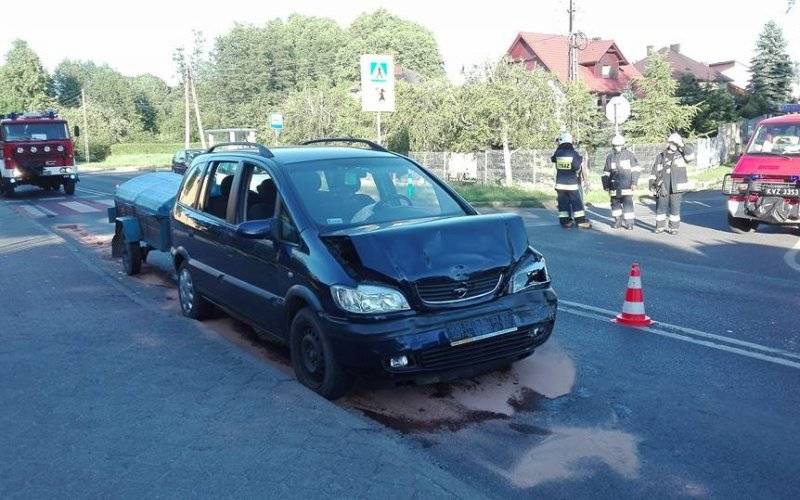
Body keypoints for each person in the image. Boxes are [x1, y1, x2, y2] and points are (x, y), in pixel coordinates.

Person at [649, 132, 694, 234]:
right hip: (662, 186)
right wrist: (652, 184)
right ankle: (660, 227)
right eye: (672, 143)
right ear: (669, 143)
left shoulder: (682, 155)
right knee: (660, 207)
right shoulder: (661, 156)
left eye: (676, 143)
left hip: (677, 187)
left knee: (675, 208)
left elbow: (691, 156)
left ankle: (674, 228)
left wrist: (682, 144)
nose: (674, 145)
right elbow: (654, 171)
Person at [551, 131, 591, 229]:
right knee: (576, 203)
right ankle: (580, 221)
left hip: (560, 184)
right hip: (571, 184)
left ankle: (565, 222)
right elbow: (577, 167)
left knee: (563, 204)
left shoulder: (558, 153)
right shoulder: (573, 153)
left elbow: (553, 159)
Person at [602, 134, 641, 230]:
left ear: (623, 145)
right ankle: (617, 221)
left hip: (627, 185)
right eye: (615, 145)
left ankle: (629, 223)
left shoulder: (629, 155)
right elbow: (606, 173)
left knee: (628, 205)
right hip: (614, 186)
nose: (617, 147)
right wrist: (606, 185)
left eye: (619, 145)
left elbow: (636, 170)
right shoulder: (610, 157)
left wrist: (634, 182)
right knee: (615, 205)